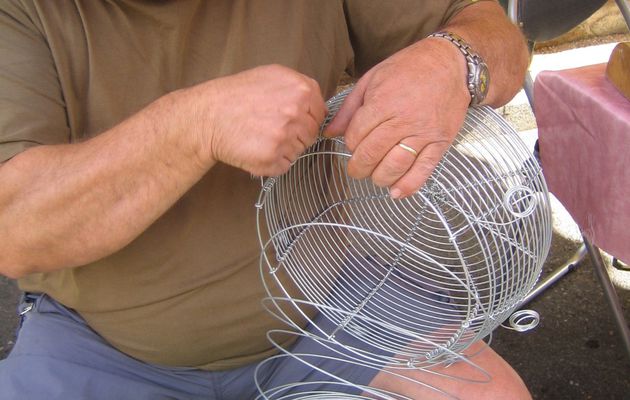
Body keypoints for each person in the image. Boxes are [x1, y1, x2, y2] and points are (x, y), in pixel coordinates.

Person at [0, 0, 531, 398]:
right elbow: (14, 232)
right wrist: (194, 124)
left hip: (331, 308)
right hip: (101, 343)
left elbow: (500, 42)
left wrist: (449, 61)